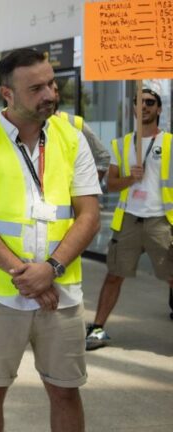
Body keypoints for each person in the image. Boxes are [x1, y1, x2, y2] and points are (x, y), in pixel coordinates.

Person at [0, 49, 101, 431]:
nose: (49, 93)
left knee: (66, 390)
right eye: (36, 88)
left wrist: (50, 270)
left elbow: (89, 215)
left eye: (51, 83)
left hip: (61, 293)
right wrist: (26, 276)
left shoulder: (71, 137)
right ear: (7, 94)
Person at [85, 88, 173, 350]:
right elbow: (110, 185)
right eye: (138, 102)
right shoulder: (121, 144)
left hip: (162, 220)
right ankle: (98, 329)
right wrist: (130, 179)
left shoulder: (169, 142)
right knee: (114, 275)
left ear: (159, 109)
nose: (143, 106)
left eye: (149, 102)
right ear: (133, 109)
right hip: (129, 220)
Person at [54, 84, 111, 181]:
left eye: (55, 90)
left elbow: (103, 157)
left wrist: (87, 189)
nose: (50, 94)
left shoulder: (75, 124)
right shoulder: (28, 128)